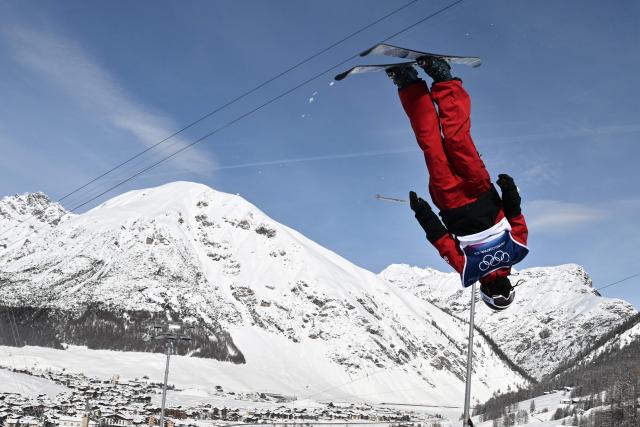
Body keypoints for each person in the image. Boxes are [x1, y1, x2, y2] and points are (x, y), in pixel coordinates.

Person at [386, 58, 529, 311]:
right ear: (511, 287)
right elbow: (516, 217)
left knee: (432, 145)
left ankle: (410, 85)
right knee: (457, 140)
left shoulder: (469, 270)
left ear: (486, 295)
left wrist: (423, 212)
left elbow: (442, 240)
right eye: (506, 295)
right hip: (480, 191)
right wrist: (509, 192)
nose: (501, 293)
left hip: (450, 201)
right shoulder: (517, 251)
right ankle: (444, 81)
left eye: (498, 299)